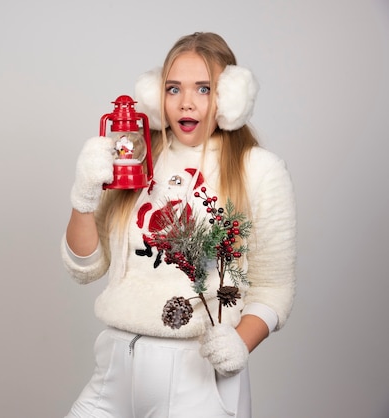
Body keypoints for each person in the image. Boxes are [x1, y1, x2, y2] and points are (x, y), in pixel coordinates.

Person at [61, 32, 296, 418]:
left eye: (204, 88)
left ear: (230, 97)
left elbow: (275, 288)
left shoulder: (259, 171)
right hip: (114, 367)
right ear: (157, 97)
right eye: (173, 89)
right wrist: (83, 198)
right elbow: (84, 268)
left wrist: (240, 342)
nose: (186, 102)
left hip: (194, 381)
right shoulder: (133, 157)